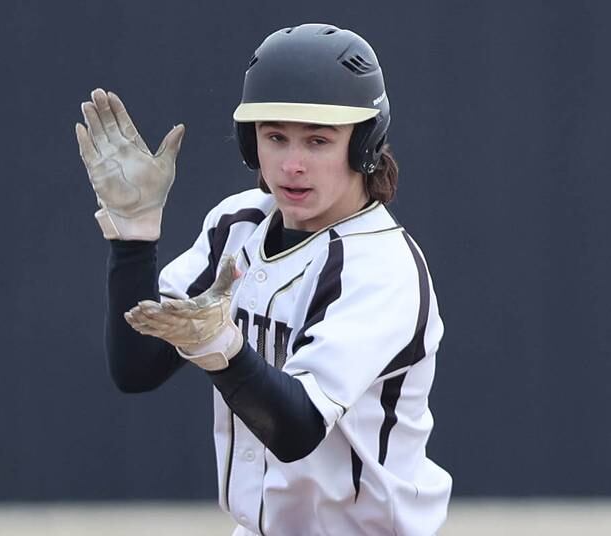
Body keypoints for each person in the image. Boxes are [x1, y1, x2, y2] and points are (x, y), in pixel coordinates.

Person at [76, 23, 451, 536]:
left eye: (318, 140)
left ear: (364, 143)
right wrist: (134, 239)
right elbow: (136, 368)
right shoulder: (240, 224)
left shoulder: (380, 266)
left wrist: (221, 348)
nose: (293, 164)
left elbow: (297, 430)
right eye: (276, 137)